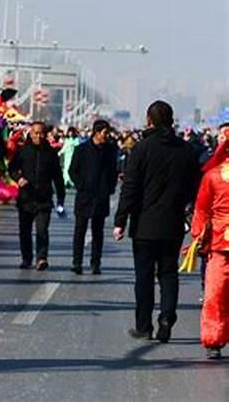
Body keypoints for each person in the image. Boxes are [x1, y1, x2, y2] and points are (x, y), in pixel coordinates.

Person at [112, 101, 200, 342]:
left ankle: (144, 325)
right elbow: (195, 186)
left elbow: (130, 188)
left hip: (144, 225)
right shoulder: (186, 150)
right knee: (169, 274)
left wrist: (120, 220)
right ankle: (167, 316)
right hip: (172, 223)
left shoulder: (141, 149)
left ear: (149, 120)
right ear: (171, 120)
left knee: (144, 277)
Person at [189, 124, 229, 359]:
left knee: (215, 293)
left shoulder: (212, 175)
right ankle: (213, 339)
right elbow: (202, 210)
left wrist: (198, 235)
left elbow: (201, 211)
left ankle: (214, 340)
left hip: (218, 241)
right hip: (218, 243)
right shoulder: (212, 176)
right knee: (214, 293)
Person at [9, 121, 65, 270]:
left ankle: (41, 258)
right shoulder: (23, 151)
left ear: (45, 135)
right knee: (25, 231)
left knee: (42, 230)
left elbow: (58, 177)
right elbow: (12, 169)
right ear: (30, 134)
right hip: (26, 198)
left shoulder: (51, 154)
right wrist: (18, 178)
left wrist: (61, 198)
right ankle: (26, 258)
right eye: (35, 133)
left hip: (44, 198)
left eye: (41, 133)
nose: (38, 136)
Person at [68, 119, 119, 275]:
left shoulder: (110, 150)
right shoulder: (81, 150)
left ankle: (95, 263)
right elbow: (72, 171)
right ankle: (77, 262)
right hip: (84, 196)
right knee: (80, 231)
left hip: (101, 196)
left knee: (98, 232)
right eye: (105, 133)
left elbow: (113, 171)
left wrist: (110, 188)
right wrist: (81, 185)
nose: (107, 136)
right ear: (96, 133)